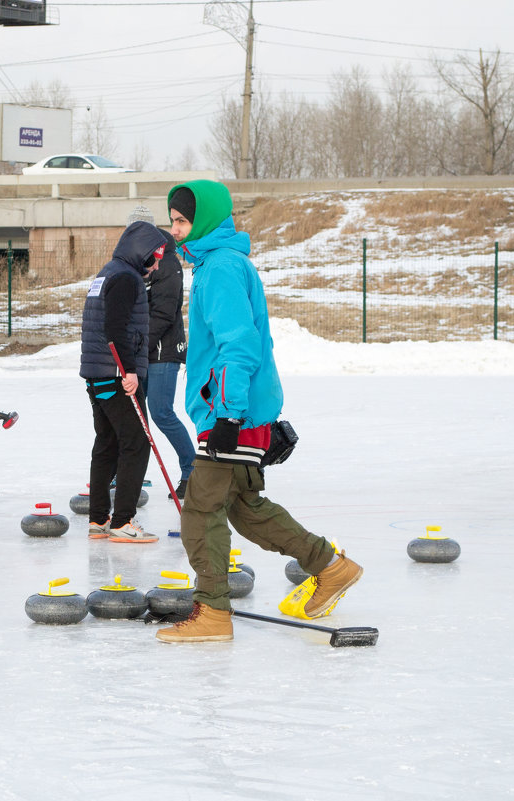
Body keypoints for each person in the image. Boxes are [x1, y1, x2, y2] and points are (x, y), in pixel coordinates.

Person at [154, 181, 363, 643]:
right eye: (173, 220)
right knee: (247, 510)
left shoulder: (221, 269)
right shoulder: (220, 264)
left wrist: (227, 415)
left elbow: (240, 345)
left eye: (183, 221)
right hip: (239, 411)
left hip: (231, 414)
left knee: (201, 511)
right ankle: (331, 566)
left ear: (205, 221)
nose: (176, 230)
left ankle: (212, 613)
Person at [80, 219, 168, 543]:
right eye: (154, 257)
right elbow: (114, 328)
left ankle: (98, 519)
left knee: (108, 443)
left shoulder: (108, 273)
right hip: (116, 374)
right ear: (140, 252)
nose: (157, 264)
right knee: (136, 442)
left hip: (98, 372)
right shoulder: (126, 279)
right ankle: (122, 521)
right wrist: (129, 371)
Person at [128, 205, 195, 501]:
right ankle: (129, 473)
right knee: (135, 416)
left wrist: (138, 344)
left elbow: (164, 313)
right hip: (141, 351)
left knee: (161, 412)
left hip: (163, 351)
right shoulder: (134, 263)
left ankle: (192, 470)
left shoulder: (166, 262)